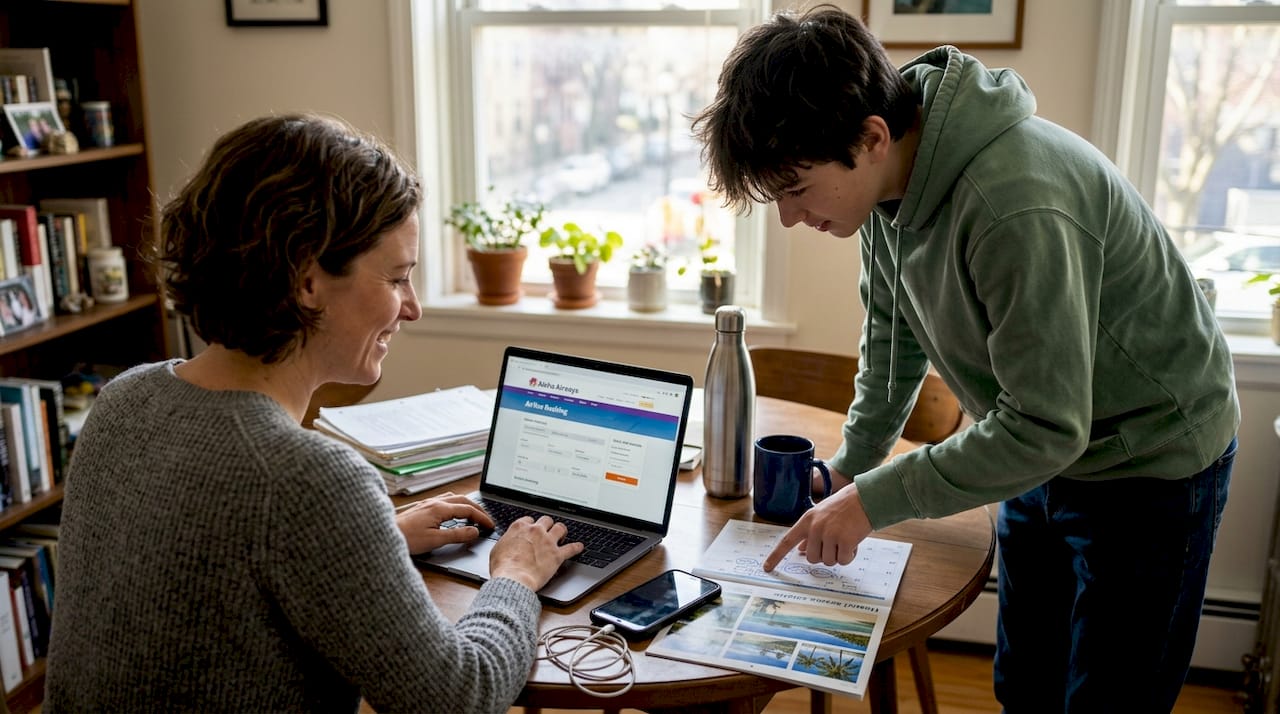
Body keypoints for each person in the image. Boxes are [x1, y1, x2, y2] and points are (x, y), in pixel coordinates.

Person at [692, 5, 1239, 712]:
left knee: (1108, 701)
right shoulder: (887, 191)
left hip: (1153, 463)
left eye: (795, 189)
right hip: (1040, 446)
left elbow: (1046, 426)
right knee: (1024, 689)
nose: (790, 218)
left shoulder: (1014, 203)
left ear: (871, 137)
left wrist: (876, 501)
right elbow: (892, 340)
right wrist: (853, 468)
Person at [44, 113, 584, 713]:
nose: (413, 309)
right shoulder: (307, 479)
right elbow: (459, 695)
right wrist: (515, 575)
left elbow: (212, 571)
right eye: (399, 278)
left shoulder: (124, 399)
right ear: (307, 283)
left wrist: (372, 540)